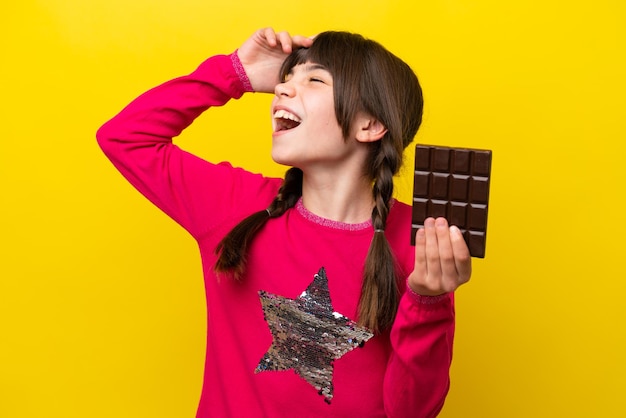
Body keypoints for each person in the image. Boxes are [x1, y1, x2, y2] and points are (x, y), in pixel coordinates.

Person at [97, 28, 471, 418]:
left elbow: (411, 411)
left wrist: (429, 301)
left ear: (370, 125)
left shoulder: (423, 239)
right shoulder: (237, 207)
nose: (282, 90)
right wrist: (235, 73)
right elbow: (124, 138)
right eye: (286, 78)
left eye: (314, 79)